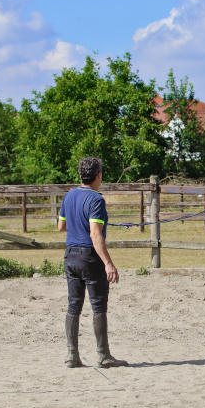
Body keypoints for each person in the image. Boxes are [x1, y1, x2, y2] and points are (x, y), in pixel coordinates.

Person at [58, 157, 127, 368]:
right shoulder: (96, 200)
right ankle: (103, 354)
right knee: (98, 306)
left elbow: (61, 226)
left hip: (70, 256)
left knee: (73, 306)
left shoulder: (69, 196)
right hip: (90, 257)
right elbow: (95, 234)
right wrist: (108, 263)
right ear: (98, 175)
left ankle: (72, 355)